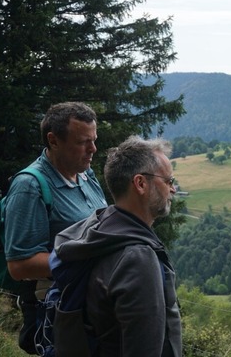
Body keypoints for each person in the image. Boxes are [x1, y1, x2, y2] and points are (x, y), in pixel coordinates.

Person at [52, 136, 182, 357]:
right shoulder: (137, 257)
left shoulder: (93, 228)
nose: (173, 190)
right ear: (140, 183)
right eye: (168, 181)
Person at [3, 101, 108, 353]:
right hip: (58, 315)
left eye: (94, 139)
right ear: (53, 140)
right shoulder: (30, 185)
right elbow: (19, 265)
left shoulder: (86, 175)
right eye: (83, 141)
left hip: (88, 309)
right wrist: (87, 260)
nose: (93, 149)